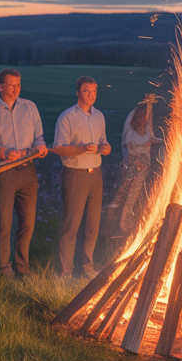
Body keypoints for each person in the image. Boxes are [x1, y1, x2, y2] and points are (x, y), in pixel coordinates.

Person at [0, 69, 47, 278]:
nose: (16, 88)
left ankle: (22, 267)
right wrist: (4, 152)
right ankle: (4, 269)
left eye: (19, 84)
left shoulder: (30, 107)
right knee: (4, 223)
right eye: (12, 84)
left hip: (28, 171)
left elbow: (39, 136)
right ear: (0, 86)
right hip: (4, 172)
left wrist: (40, 147)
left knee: (28, 222)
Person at [51, 76, 111, 278]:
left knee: (93, 224)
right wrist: (82, 149)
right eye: (86, 91)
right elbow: (59, 147)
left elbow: (104, 141)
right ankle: (66, 270)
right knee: (72, 224)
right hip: (75, 174)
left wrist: (106, 148)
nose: (91, 95)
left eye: (94, 91)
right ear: (78, 92)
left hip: (96, 174)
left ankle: (87, 266)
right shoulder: (67, 117)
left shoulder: (99, 116)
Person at [105, 93, 160, 235]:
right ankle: (108, 225)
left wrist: (149, 105)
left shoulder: (147, 130)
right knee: (120, 195)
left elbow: (150, 134)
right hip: (131, 167)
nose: (145, 118)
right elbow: (134, 143)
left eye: (145, 116)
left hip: (143, 168)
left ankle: (125, 226)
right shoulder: (131, 133)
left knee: (133, 197)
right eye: (142, 116)